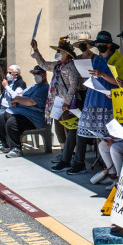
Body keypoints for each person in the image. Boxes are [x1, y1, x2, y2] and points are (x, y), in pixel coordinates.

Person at [64, 31, 119, 175]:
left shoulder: (116, 60)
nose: (99, 46)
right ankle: (79, 163)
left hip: (107, 101)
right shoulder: (97, 59)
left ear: (109, 45)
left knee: (108, 137)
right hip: (92, 98)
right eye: (97, 44)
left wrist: (102, 75)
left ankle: (112, 169)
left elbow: (120, 82)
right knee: (82, 129)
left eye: (102, 44)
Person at [30, 37, 82, 169]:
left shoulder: (71, 67)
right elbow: (43, 64)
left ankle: (72, 155)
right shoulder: (57, 66)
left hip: (67, 104)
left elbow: (73, 85)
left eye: (60, 51)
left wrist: (67, 102)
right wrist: (36, 50)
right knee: (59, 127)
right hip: (56, 102)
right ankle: (64, 153)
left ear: (67, 54)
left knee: (68, 129)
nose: (58, 53)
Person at [0, 66, 49, 158]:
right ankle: (6, 146)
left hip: (34, 119)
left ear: (44, 74)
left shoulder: (45, 88)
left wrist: (17, 100)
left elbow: (31, 101)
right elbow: (20, 95)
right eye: (34, 73)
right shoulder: (33, 86)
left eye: (38, 73)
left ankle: (16, 148)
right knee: (0, 118)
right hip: (21, 114)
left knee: (12, 122)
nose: (35, 75)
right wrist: (17, 99)